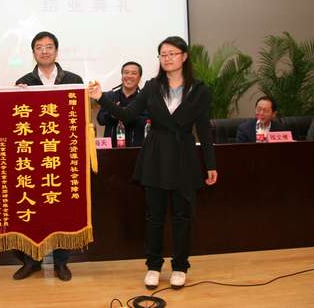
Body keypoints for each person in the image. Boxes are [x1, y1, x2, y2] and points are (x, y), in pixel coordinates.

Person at [88, 36, 218, 290]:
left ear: (184, 56)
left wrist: (211, 164)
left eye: (172, 53)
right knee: (154, 216)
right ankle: (154, 266)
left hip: (184, 156)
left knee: (182, 216)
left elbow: (204, 129)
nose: (167, 58)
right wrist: (101, 97)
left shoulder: (199, 90)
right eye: (163, 54)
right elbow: (128, 114)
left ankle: (180, 266)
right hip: (155, 155)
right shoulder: (151, 86)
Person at [13, 31, 83, 282]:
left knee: (62, 208)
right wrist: (16, 97)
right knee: (34, 208)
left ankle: (61, 262)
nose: (44, 51)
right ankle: (31, 261)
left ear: (56, 51)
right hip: (33, 159)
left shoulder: (73, 80)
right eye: (39, 47)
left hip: (62, 155)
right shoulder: (23, 82)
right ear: (33, 52)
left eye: (49, 46)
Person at [97, 61, 148, 147]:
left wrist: (124, 114)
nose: (129, 76)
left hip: (136, 148)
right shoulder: (109, 96)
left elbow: (147, 121)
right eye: (126, 72)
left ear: (139, 78)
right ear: (122, 76)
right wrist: (112, 115)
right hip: (112, 149)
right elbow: (100, 120)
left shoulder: (145, 98)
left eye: (134, 73)